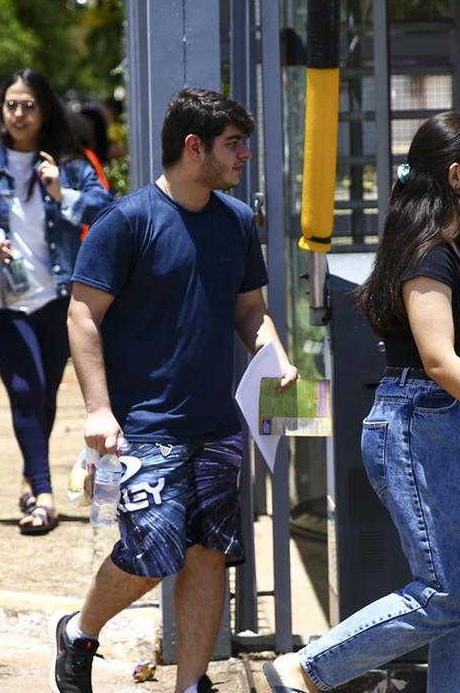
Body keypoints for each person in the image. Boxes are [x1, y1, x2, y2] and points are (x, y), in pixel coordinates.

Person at [261, 112, 460, 693]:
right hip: (418, 429)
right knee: (447, 594)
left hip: (455, 430)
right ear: (455, 176)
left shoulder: (454, 248)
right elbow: (438, 360)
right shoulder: (427, 253)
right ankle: (306, 668)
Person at [52, 87, 294, 693]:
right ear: (195, 148)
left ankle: (190, 685)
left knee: (209, 553)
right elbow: (82, 315)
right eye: (233, 145)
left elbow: (250, 310)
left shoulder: (237, 222)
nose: (243, 157)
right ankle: (79, 631)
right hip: (144, 425)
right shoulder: (127, 221)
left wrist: (275, 353)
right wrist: (99, 410)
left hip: (217, 423)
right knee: (154, 553)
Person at [0, 69, 111, 535]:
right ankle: (44, 495)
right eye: (11, 105)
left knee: (43, 395)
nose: (18, 114)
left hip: (60, 300)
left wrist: (63, 193)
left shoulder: (71, 163)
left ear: (45, 111)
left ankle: (30, 474)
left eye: (28, 106)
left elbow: (108, 211)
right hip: (3, 300)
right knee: (24, 391)